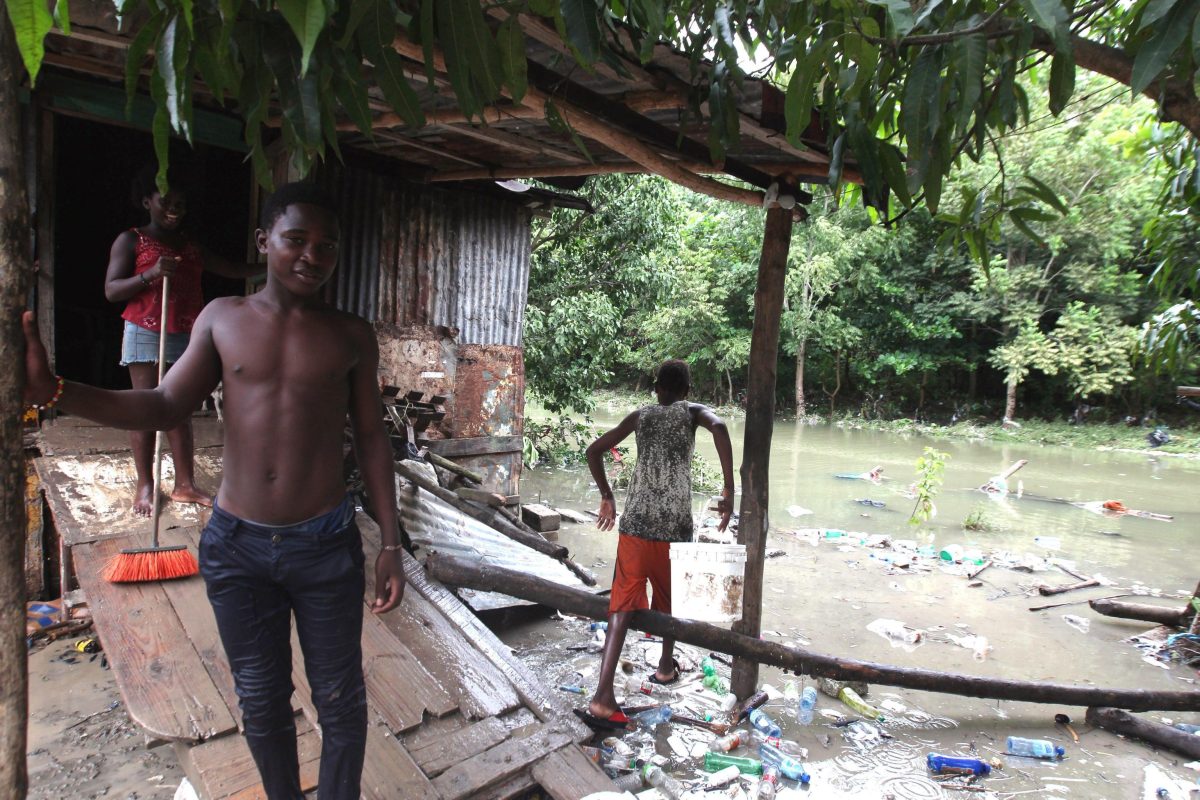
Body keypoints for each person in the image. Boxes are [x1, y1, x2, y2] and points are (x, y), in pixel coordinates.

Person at [24, 181, 406, 799]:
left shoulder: (351, 335)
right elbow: (163, 401)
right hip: (238, 546)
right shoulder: (223, 319)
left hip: (325, 542)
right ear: (264, 242)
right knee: (259, 699)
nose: (313, 255)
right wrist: (59, 393)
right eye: (297, 240)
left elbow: (370, 437)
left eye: (327, 246)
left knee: (340, 698)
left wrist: (390, 543)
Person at [578, 359, 735, 728]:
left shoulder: (640, 417)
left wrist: (607, 495)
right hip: (674, 531)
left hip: (634, 527)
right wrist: (729, 488)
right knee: (670, 602)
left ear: (656, 390)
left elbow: (593, 451)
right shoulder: (692, 412)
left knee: (621, 606)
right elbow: (722, 427)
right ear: (686, 391)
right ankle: (665, 668)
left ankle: (603, 695)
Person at [105, 162, 262, 516]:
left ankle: (185, 485)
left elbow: (232, 269)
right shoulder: (131, 239)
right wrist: (150, 274)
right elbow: (112, 291)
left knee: (180, 410)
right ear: (147, 201)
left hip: (187, 335)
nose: (174, 209)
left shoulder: (190, 245)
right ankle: (146, 485)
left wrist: (277, 266)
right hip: (146, 332)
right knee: (145, 409)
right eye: (167, 202)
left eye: (181, 204)